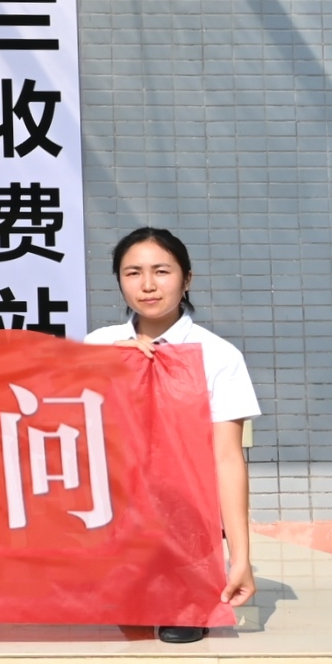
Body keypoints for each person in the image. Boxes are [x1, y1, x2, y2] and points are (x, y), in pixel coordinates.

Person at [86, 227, 259, 641]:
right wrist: (104, 367)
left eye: (161, 271)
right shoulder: (98, 344)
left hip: (185, 523)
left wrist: (240, 557)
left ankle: (183, 593)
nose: (147, 285)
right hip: (115, 518)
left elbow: (226, 458)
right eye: (133, 273)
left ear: (187, 279)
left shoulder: (218, 356)